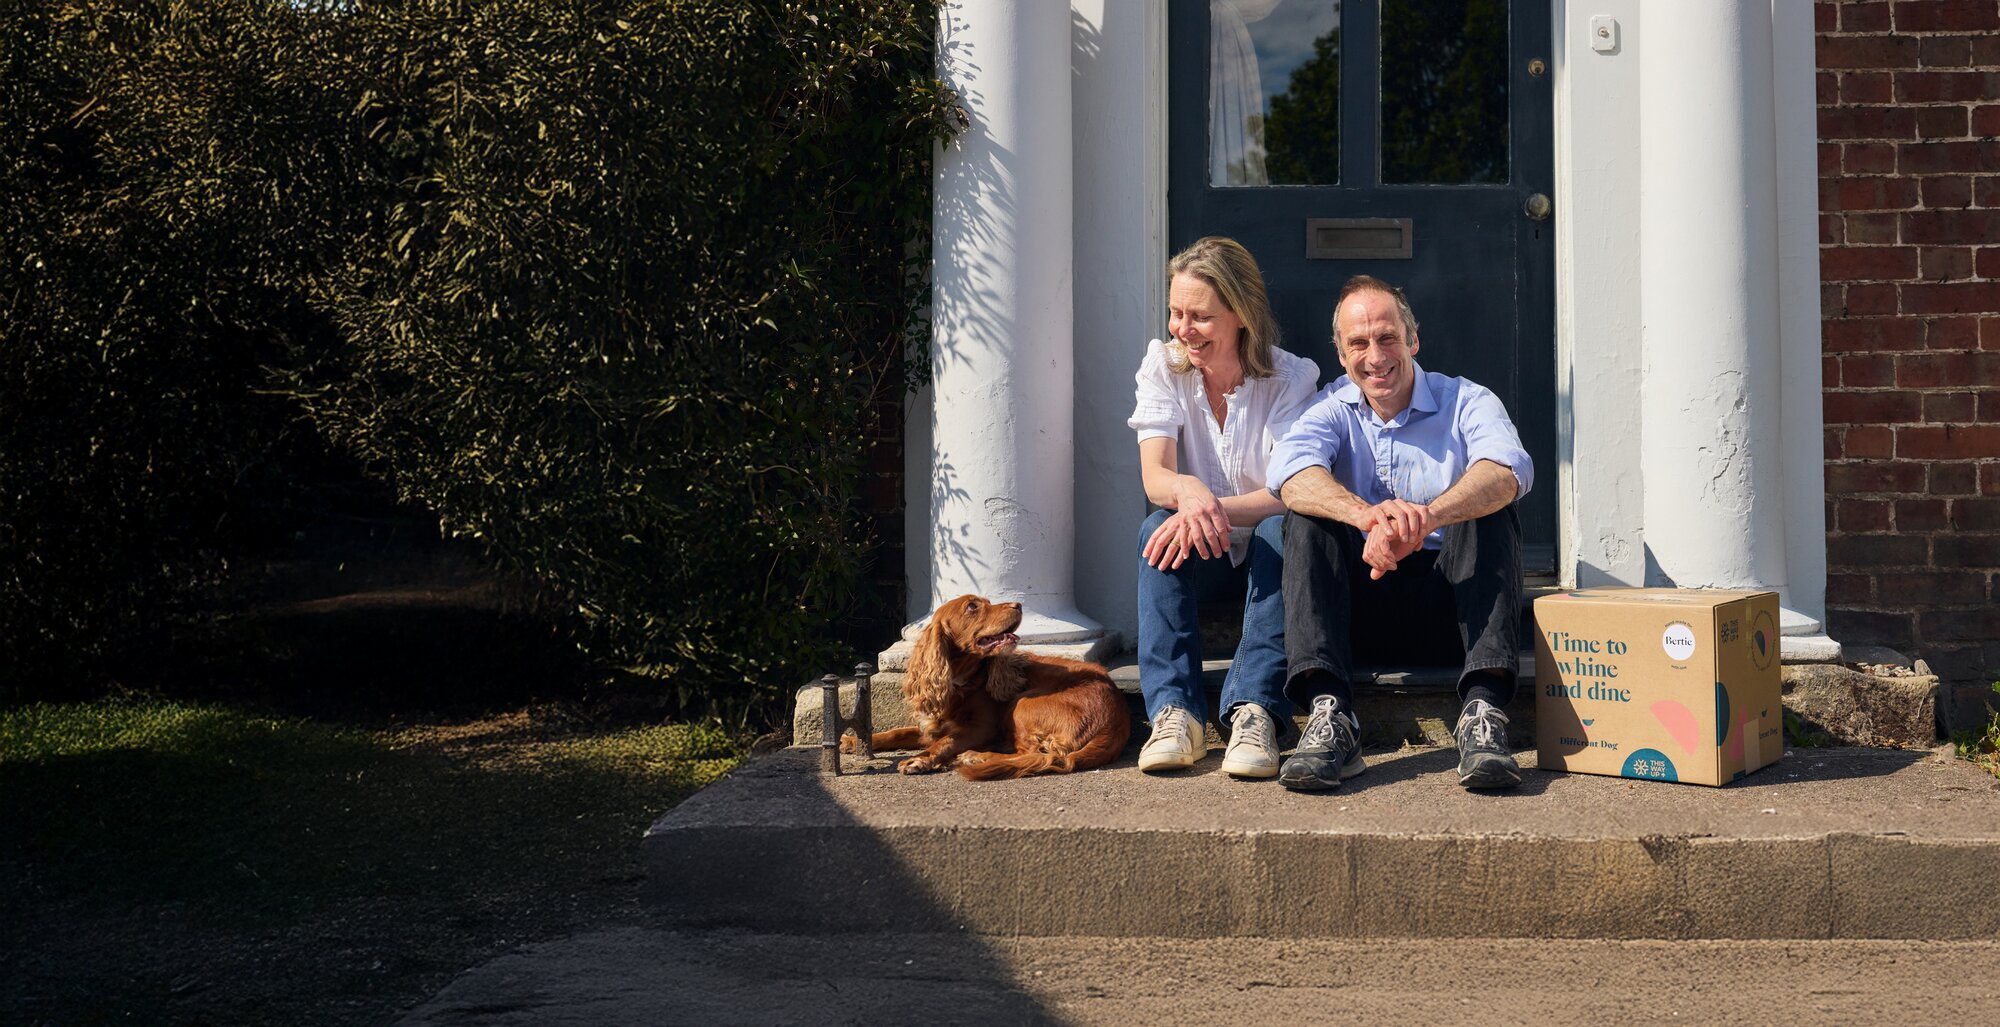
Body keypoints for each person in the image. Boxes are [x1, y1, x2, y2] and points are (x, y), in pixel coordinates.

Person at [1266, 275, 1533, 792]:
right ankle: (1329, 714)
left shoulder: (1466, 399)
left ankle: (1483, 713)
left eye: (1387, 337)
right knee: (1304, 516)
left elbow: (1508, 468)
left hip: (1454, 613)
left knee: (1489, 504)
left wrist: (1427, 516)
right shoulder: (1330, 407)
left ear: (1413, 340)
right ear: (1341, 354)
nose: (1375, 356)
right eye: (1358, 343)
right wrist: (1369, 518)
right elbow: (1289, 474)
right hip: (1360, 614)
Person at [1128, 237, 1319, 778]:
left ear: (1242, 314)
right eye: (1176, 313)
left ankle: (1255, 709)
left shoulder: (1291, 380)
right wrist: (1186, 492)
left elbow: (1290, 489)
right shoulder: (1163, 367)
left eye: (1200, 317)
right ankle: (1175, 714)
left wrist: (1205, 505)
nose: (1182, 329)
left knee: (1284, 527)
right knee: (1156, 526)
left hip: (1269, 557)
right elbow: (1156, 477)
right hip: (1202, 554)